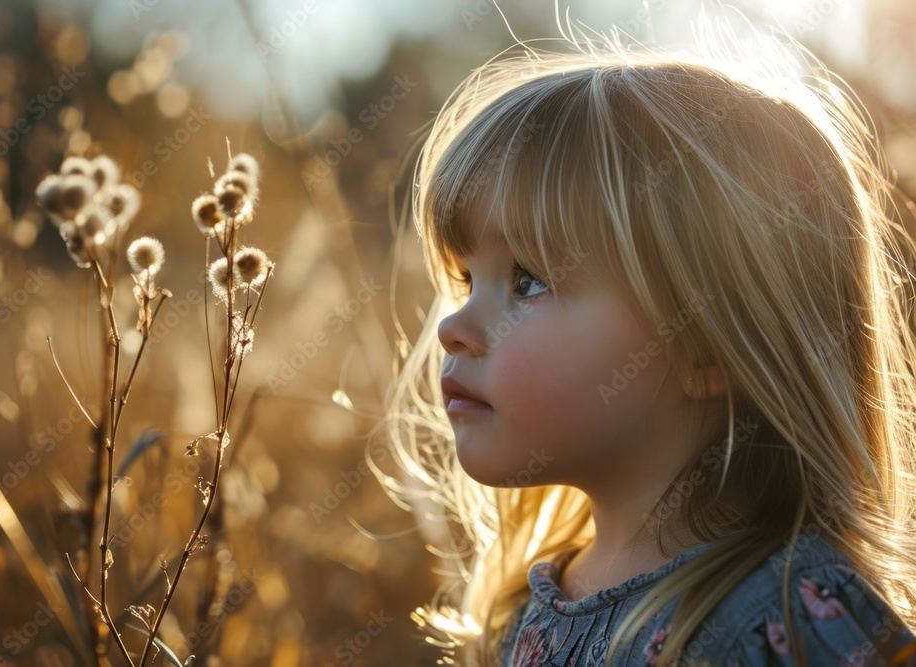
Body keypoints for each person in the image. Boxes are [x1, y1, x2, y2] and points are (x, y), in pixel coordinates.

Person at [380, 14, 916, 667]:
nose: (452, 327)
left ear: (707, 347)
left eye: (527, 281)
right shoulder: (527, 608)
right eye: (467, 280)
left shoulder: (790, 619)